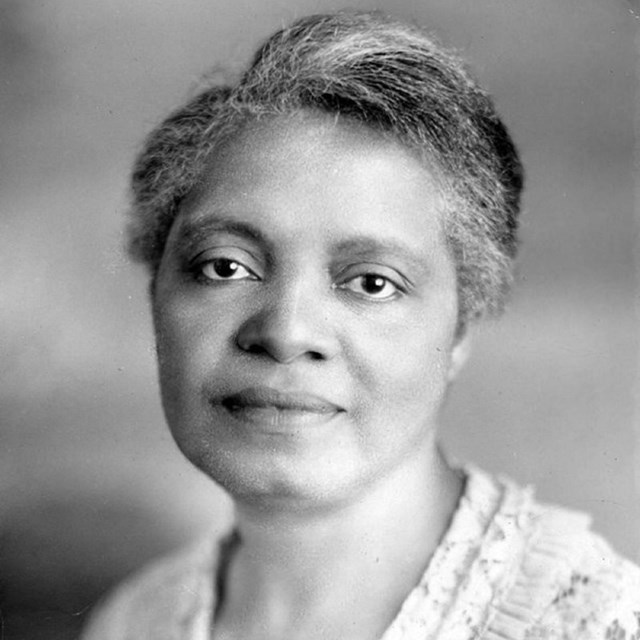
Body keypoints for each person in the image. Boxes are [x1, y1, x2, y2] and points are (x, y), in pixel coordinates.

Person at [81, 10, 640, 640]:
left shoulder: (589, 622)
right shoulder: (134, 622)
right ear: (155, 289)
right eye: (225, 266)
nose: (287, 331)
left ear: (461, 327)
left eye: (372, 282)